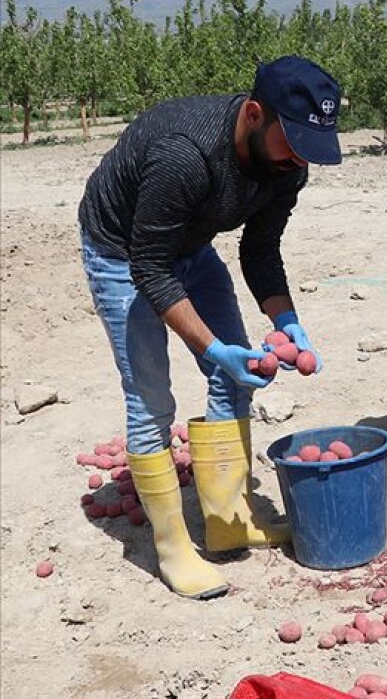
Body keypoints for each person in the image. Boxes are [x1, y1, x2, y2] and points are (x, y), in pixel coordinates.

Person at [78, 56, 343, 599]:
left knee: (235, 375)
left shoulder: (288, 164)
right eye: (290, 144)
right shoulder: (186, 152)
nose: (297, 161)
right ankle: (172, 547)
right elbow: (147, 267)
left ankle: (226, 520)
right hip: (121, 252)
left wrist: (288, 322)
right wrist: (211, 346)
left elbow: (260, 249)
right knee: (151, 397)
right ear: (252, 115)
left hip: (189, 245)